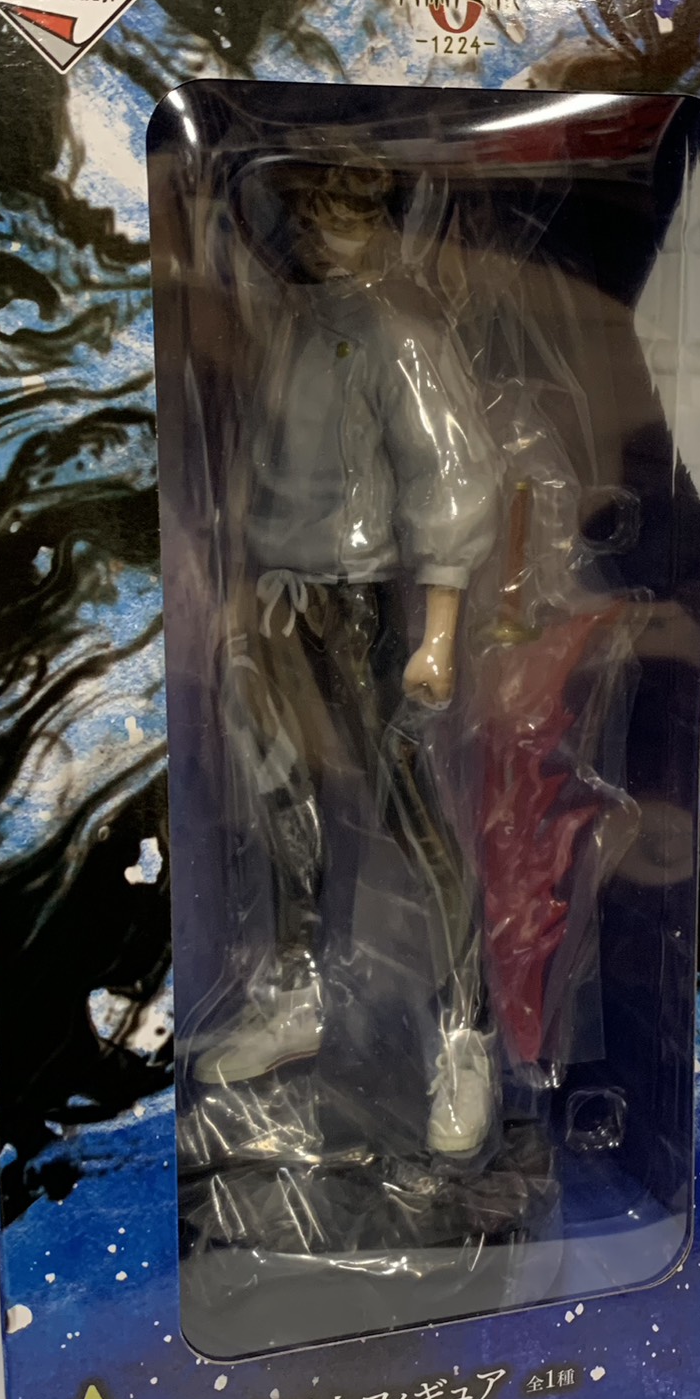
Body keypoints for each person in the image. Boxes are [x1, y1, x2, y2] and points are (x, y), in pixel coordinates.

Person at [195, 163, 501, 1155]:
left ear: (383, 225)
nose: (329, 239)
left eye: (352, 218)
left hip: (358, 604)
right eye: (315, 217)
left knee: (407, 809)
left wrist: (439, 632)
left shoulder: (398, 335)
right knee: (283, 797)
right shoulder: (288, 324)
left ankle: (463, 1033)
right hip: (276, 596)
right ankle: (297, 993)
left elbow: (447, 476)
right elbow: (255, 473)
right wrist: (235, 596)